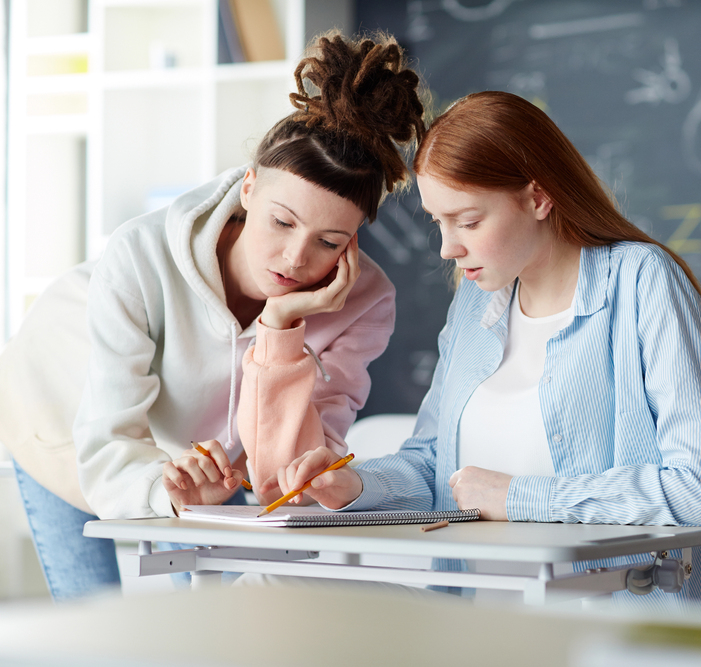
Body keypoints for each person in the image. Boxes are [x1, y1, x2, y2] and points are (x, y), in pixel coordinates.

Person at [264, 91, 701, 609]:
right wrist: (355, 487)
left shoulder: (643, 283)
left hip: (604, 624)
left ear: (538, 198)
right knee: (271, 584)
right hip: (478, 619)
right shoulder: (477, 301)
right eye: (438, 222)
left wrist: (520, 498)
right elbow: (432, 466)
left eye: (468, 221)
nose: (448, 247)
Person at [0, 31, 425, 600]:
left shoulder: (364, 302)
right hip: (60, 401)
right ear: (248, 187)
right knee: (92, 611)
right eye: (280, 222)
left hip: (192, 445)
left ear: (355, 239)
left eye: (328, 241)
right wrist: (167, 491)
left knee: (212, 609)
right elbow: (106, 443)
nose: (296, 260)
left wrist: (280, 330)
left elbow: (286, 482)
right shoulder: (139, 254)